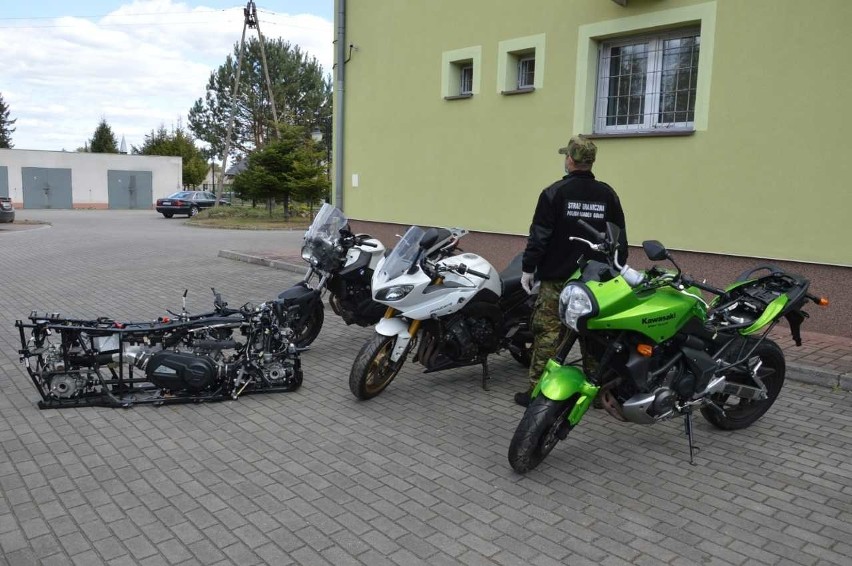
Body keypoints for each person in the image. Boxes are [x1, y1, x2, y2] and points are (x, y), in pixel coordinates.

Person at [515, 135, 627, 407]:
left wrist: (528, 268)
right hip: (595, 281)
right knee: (594, 335)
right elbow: (619, 237)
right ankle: (598, 394)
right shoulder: (607, 194)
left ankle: (538, 394)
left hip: (558, 279)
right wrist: (618, 267)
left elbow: (539, 236)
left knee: (549, 334)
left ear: (570, 160)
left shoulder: (553, 193)